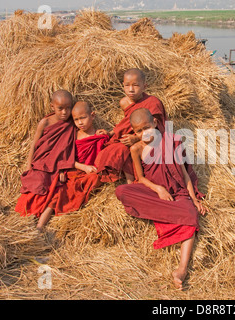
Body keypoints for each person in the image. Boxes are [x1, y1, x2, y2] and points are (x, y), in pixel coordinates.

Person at [115, 108, 207, 290]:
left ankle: (182, 268)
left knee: (191, 214)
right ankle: (177, 213)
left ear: (155, 124)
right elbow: (140, 178)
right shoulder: (136, 148)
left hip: (177, 191)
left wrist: (194, 199)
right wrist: (158, 189)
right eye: (139, 131)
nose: (144, 133)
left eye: (147, 127)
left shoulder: (171, 142)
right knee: (122, 191)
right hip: (154, 192)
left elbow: (184, 174)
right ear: (134, 132)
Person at [15, 90, 76, 231]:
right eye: (60, 108)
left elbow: (67, 150)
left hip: (59, 166)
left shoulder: (72, 123)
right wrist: (28, 164)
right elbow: (35, 144)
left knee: (57, 190)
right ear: (52, 107)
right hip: (41, 162)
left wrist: (64, 169)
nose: (64, 112)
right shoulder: (45, 122)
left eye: (68, 108)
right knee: (37, 183)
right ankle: (27, 216)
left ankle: (40, 223)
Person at [94, 68, 168, 184]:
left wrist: (136, 138)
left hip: (149, 138)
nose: (131, 89)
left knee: (124, 149)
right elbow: (127, 123)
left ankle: (133, 181)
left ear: (144, 86)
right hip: (132, 135)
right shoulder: (124, 102)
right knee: (110, 150)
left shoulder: (153, 102)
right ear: (122, 85)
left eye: (135, 85)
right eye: (127, 85)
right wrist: (110, 133)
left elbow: (158, 129)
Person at [45, 101, 110, 219]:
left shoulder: (99, 135)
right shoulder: (73, 135)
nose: (80, 122)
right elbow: (65, 158)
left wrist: (107, 135)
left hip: (88, 174)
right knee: (58, 193)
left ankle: (74, 205)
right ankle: (40, 224)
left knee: (95, 178)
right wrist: (65, 170)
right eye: (76, 120)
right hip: (72, 170)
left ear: (93, 115)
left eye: (83, 118)